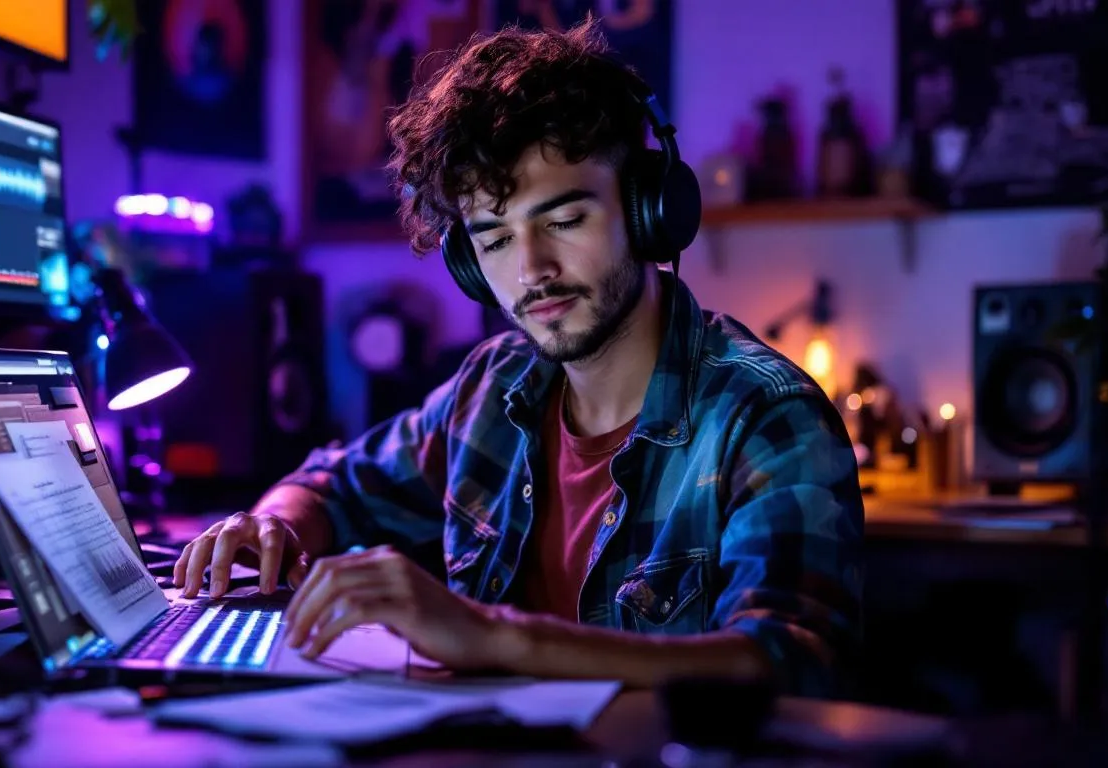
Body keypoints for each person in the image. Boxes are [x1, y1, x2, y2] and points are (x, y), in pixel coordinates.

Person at [173, 18, 864, 698]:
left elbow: (792, 662)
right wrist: (272, 524)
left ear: (648, 209)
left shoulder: (767, 417)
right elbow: (335, 484)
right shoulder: (491, 387)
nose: (531, 269)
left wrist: (496, 636)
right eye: (495, 239)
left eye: (564, 221)